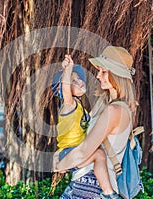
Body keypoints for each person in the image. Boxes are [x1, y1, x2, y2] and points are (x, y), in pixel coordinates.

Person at [55, 46, 137, 199]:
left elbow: (85, 150)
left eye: (104, 71)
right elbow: (81, 130)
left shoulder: (115, 111)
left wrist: (61, 164)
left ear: (117, 74)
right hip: (80, 185)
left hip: (94, 189)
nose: (98, 76)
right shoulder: (103, 103)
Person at [52, 55, 116, 197]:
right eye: (73, 81)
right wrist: (67, 70)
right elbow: (66, 89)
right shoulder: (69, 105)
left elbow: (96, 116)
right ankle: (109, 193)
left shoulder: (82, 110)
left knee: (99, 155)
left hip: (78, 152)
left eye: (79, 78)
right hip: (69, 152)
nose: (79, 81)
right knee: (99, 155)